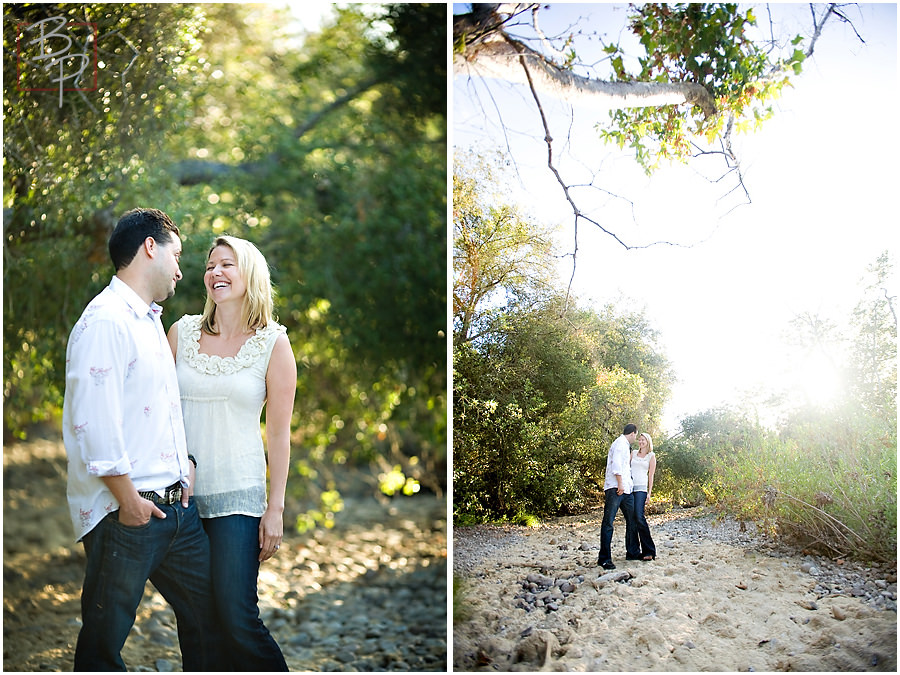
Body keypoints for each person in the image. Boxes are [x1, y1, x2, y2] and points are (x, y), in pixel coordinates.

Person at [62, 207, 225, 671]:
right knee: (103, 643)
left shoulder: (148, 320)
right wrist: (128, 501)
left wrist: (185, 463)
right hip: (127, 514)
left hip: (177, 512)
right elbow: (93, 421)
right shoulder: (106, 321)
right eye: (177, 255)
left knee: (211, 623)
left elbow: (153, 412)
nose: (180, 270)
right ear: (150, 247)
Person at [167, 235, 296, 671]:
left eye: (227, 264)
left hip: (238, 502)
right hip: (179, 500)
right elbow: (156, 411)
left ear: (251, 275)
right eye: (209, 266)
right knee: (196, 621)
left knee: (237, 618)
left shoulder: (274, 344)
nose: (215, 273)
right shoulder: (180, 333)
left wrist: (274, 510)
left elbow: (279, 435)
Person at [597, 423, 641, 569]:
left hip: (626, 490)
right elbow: (616, 466)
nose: (636, 437)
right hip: (616, 488)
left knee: (632, 519)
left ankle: (633, 552)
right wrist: (620, 484)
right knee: (608, 522)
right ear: (633, 433)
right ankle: (604, 559)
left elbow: (625, 466)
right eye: (636, 435)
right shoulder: (620, 444)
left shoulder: (625, 445)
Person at [631, 432, 657, 561]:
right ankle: (634, 551)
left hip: (641, 489)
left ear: (648, 442)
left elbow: (651, 475)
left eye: (643, 440)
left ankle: (649, 550)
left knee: (639, 516)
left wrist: (649, 493)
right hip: (630, 488)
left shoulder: (651, 456)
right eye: (640, 439)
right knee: (632, 519)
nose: (641, 442)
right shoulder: (634, 453)